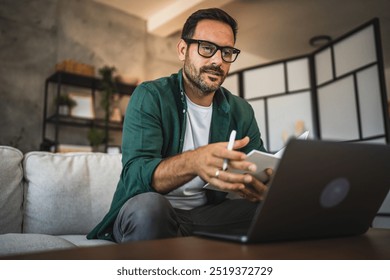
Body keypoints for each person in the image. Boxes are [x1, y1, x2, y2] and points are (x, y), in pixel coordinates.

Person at [87, 7, 272, 243]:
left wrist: (264, 181)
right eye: (207, 48)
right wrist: (194, 161)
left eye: (227, 52)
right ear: (183, 50)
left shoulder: (240, 110)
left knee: (275, 210)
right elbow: (135, 175)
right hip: (154, 211)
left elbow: (258, 162)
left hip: (206, 216)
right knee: (150, 208)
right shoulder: (150, 96)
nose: (218, 60)